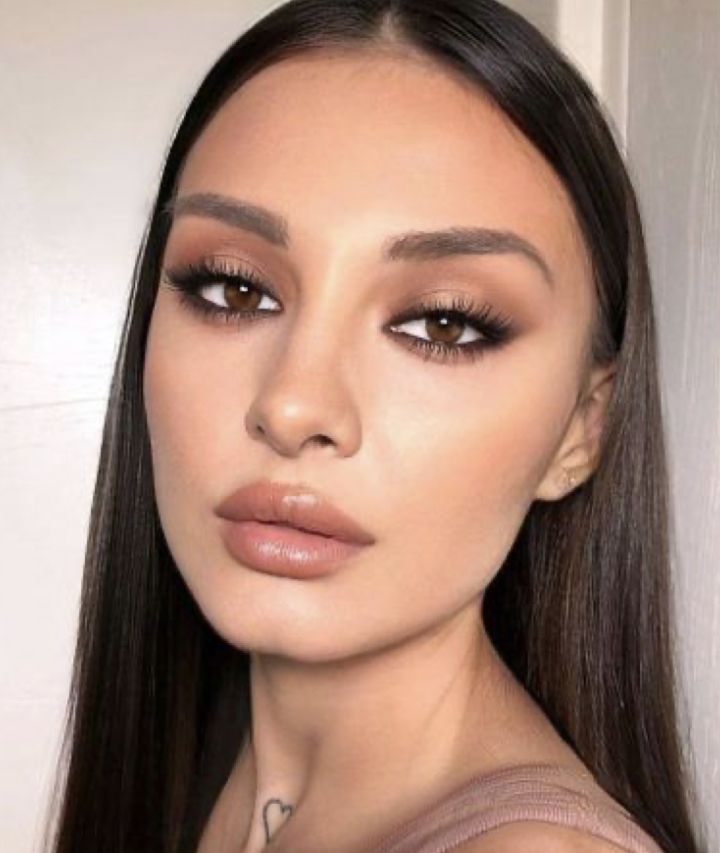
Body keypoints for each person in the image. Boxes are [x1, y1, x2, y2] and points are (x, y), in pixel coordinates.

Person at [44, 1, 705, 852]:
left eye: (442, 322)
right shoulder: (206, 768)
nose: (292, 405)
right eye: (234, 289)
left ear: (583, 428)